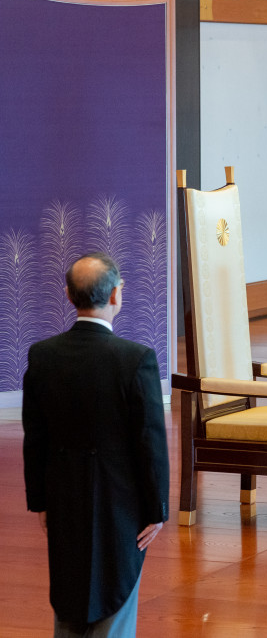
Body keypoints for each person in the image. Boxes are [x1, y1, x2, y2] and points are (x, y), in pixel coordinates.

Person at [22, 252, 169, 637]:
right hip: (120, 505)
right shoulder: (135, 360)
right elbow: (150, 443)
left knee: (70, 594)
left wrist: (39, 501)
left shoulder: (43, 356)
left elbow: (34, 437)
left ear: (69, 297)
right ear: (117, 296)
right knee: (115, 596)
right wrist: (158, 509)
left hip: (64, 498)